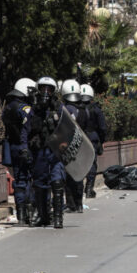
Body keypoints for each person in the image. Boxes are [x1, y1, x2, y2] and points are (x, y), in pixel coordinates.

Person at [28, 76, 67, 228]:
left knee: (57, 182)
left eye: (49, 89)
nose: (46, 91)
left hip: (55, 150)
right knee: (39, 184)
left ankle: (58, 217)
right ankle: (43, 216)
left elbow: (68, 128)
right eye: (43, 88)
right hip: (40, 150)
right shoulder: (33, 107)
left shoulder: (58, 107)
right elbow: (28, 129)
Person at [1, 78, 36, 225]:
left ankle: (21, 213)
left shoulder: (8, 107)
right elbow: (30, 126)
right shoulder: (24, 109)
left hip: (12, 147)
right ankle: (30, 211)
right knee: (30, 178)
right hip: (25, 147)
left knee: (19, 179)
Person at [59, 78, 86, 213]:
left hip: (68, 146)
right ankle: (79, 203)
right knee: (78, 175)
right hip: (81, 145)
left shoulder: (65, 109)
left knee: (68, 176)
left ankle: (71, 204)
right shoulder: (83, 110)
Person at [79, 84, 108, 199]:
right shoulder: (96, 109)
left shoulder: (76, 108)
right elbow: (102, 127)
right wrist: (102, 141)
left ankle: (79, 189)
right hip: (92, 139)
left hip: (79, 138)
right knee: (91, 163)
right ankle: (89, 189)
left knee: (79, 163)